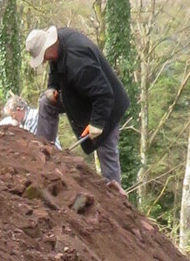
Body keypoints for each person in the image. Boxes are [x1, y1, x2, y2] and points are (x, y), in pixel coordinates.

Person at [24, 25, 129, 188]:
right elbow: (54, 65)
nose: (44, 61)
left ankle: (116, 193)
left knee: (106, 148)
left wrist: (97, 123)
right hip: (76, 94)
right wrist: (52, 86)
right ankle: (44, 151)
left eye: (43, 56)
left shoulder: (78, 62)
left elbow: (104, 94)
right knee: (46, 103)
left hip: (106, 104)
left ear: (49, 46)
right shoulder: (58, 44)